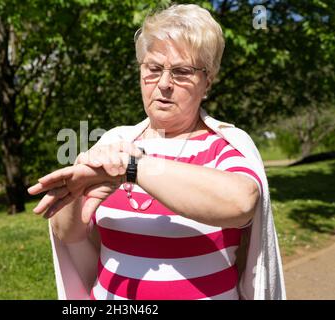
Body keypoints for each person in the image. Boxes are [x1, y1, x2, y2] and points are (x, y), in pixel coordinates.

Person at [28, 4, 286, 300]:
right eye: (153, 69)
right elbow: (68, 235)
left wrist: (133, 168)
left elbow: (241, 203)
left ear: (207, 82)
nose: (163, 84)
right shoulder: (115, 140)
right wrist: (73, 196)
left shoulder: (224, 144)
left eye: (181, 72)